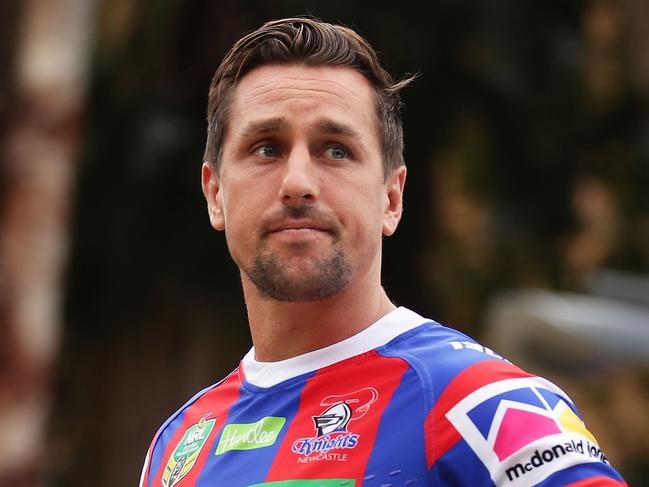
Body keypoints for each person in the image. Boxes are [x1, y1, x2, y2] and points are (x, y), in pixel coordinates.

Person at [139, 17, 626, 487]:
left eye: (335, 150)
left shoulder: (484, 405)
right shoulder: (178, 448)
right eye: (267, 148)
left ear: (391, 199)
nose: (298, 184)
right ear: (215, 193)